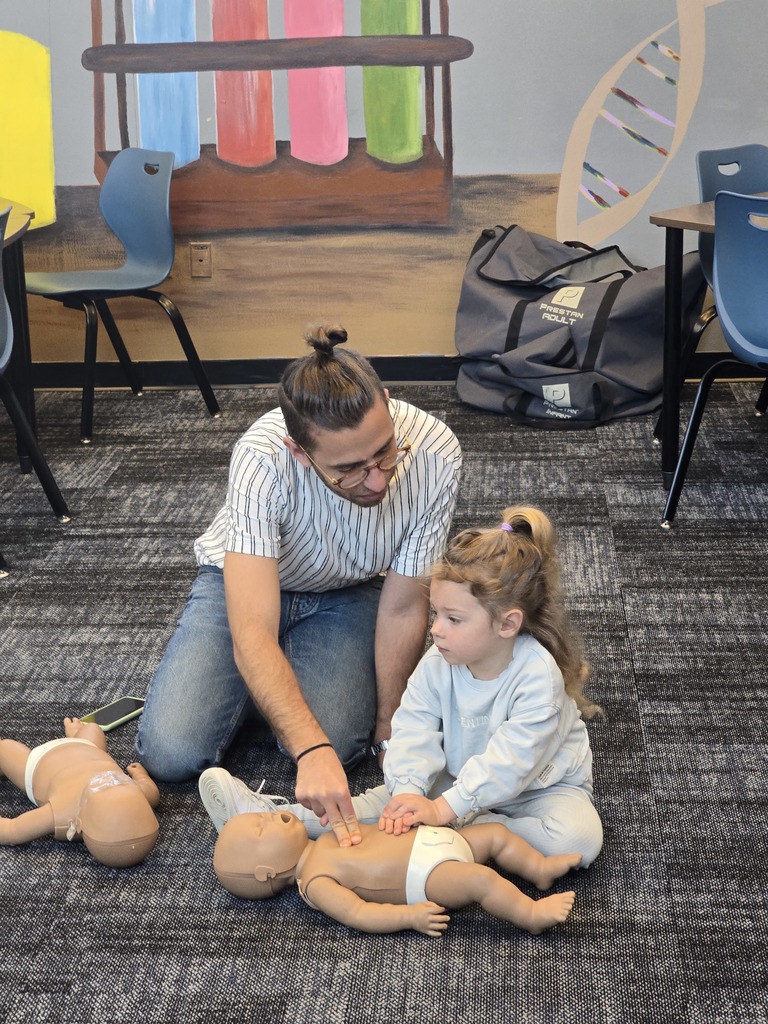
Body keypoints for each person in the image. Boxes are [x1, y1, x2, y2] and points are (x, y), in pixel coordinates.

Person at [136, 324, 462, 848]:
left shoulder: (436, 451)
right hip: (242, 590)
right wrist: (307, 749)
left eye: (384, 453)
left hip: (351, 591)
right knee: (170, 754)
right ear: (299, 451)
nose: (378, 480)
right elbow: (251, 628)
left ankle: (264, 688)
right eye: (349, 470)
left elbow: (403, 608)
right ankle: (265, 683)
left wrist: (390, 730)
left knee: (344, 743)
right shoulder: (261, 458)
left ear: (385, 401)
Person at [199, 505, 603, 865]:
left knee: (578, 839)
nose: (436, 629)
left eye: (454, 619)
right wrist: (409, 791)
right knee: (383, 802)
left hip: (540, 789)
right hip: (457, 778)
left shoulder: (537, 676)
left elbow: (511, 764)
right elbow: (412, 727)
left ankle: (456, 831)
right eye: (437, 613)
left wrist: (445, 809)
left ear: (507, 623)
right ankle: (264, 817)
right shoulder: (439, 661)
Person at [211, 811, 581, 936]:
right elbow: (359, 914)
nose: (273, 816)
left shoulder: (322, 837)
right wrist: (408, 916)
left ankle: (539, 869)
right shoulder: (316, 884)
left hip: (437, 839)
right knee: (480, 880)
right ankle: (530, 915)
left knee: (497, 835)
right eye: (262, 827)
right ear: (265, 873)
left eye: (263, 814)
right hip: (425, 874)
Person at [0, 718, 160, 867]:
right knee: (93, 727)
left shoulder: (64, 812)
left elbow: (16, 829)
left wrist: (6, 829)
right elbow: (152, 792)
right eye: (120, 783)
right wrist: (140, 775)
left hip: (38, 761)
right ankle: (76, 732)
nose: (110, 778)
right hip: (87, 746)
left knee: (6, 748)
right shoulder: (138, 795)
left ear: (81, 823)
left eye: (104, 787)